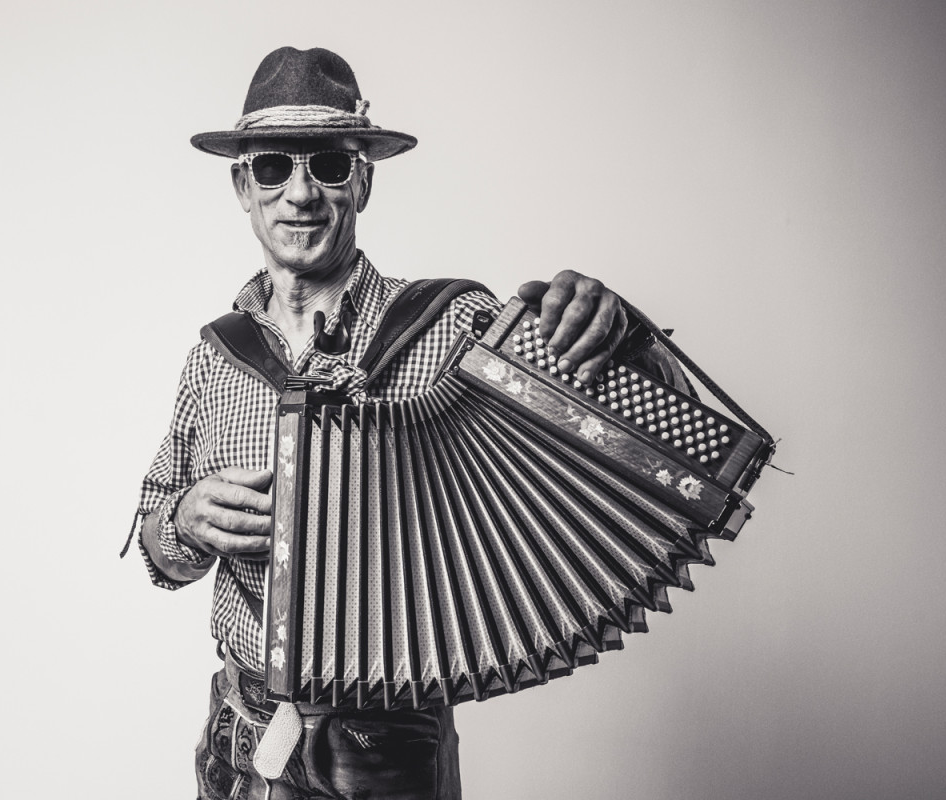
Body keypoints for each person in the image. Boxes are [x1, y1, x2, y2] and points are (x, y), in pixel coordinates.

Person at [130, 46, 675, 800]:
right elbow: (158, 555)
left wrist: (621, 336)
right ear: (242, 188)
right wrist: (185, 520)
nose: (300, 194)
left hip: (387, 747)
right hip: (238, 738)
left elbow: (630, 434)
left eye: (328, 165)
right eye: (273, 168)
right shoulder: (213, 359)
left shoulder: (452, 326)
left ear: (363, 181)